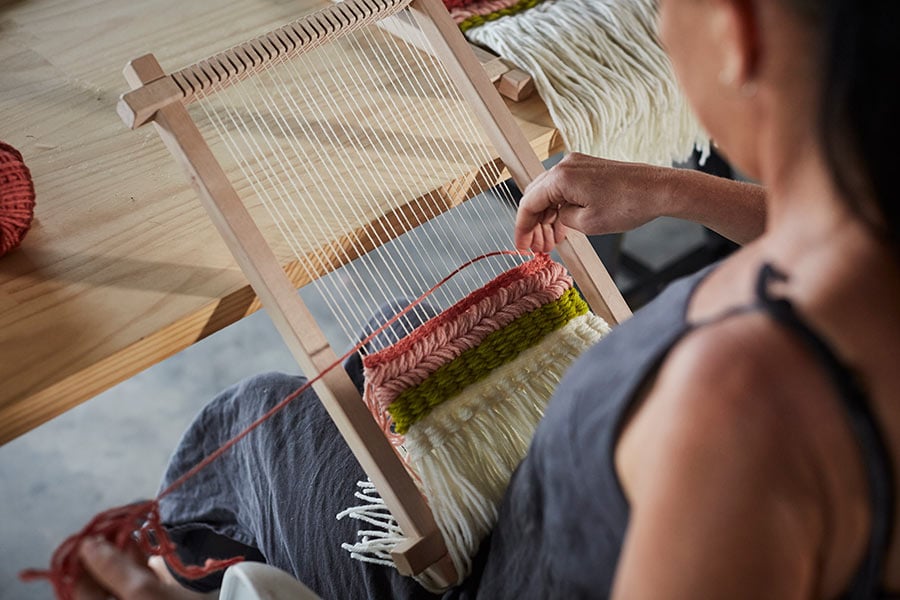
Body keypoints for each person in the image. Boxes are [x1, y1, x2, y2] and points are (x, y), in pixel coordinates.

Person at [73, 0, 900, 597]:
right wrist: (674, 191)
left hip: (499, 566)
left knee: (260, 424)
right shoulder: (858, 253)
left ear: (737, 30)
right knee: (396, 344)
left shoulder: (739, 410)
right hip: (581, 492)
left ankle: (178, 567)